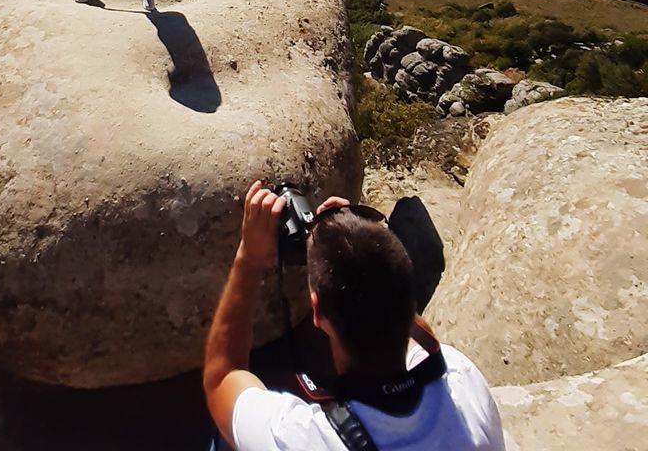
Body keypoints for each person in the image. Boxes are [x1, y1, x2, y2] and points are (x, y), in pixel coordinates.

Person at [203, 183, 505, 451]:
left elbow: (222, 377)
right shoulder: (462, 382)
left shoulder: (302, 438)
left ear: (318, 311)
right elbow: (413, 325)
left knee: (223, 440)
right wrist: (367, 243)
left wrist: (250, 258)